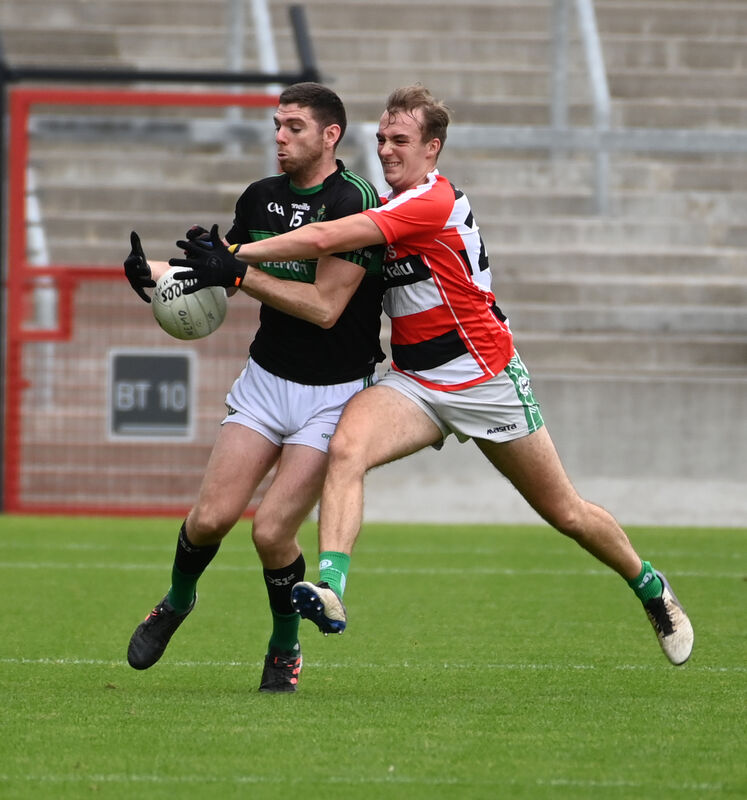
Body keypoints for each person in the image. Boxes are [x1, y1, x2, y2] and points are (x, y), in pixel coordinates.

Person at [171, 85, 694, 667]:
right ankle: (330, 589)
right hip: (414, 383)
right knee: (347, 447)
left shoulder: (430, 202)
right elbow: (315, 268)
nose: (389, 150)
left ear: (433, 148)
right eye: (383, 140)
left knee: (565, 512)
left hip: (484, 378)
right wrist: (178, 270)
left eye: (402, 141)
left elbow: (320, 239)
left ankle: (650, 587)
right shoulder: (383, 207)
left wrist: (234, 256)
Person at [122, 82, 384, 692]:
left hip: (334, 396)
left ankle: (284, 646)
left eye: (293, 126)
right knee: (210, 518)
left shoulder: (355, 202)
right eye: (276, 125)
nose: (280, 136)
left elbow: (323, 307)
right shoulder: (260, 197)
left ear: (330, 135)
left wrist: (237, 273)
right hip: (266, 382)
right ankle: (177, 600)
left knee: (271, 531)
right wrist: (155, 275)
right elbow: (219, 268)